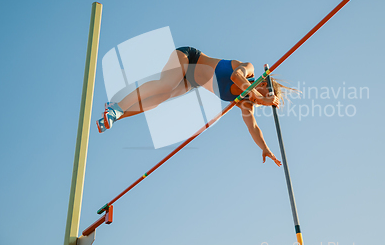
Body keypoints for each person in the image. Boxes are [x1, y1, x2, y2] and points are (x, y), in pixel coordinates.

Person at [97, 46, 291, 167]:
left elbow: (253, 127)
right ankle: (117, 107)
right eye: (266, 97)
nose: (261, 103)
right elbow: (236, 77)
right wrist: (259, 96)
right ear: (264, 85)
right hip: (189, 58)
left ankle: (114, 115)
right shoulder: (247, 68)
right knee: (165, 85)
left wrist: (265, 148)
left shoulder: (245, 102)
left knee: (160, 99)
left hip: (191, 82)